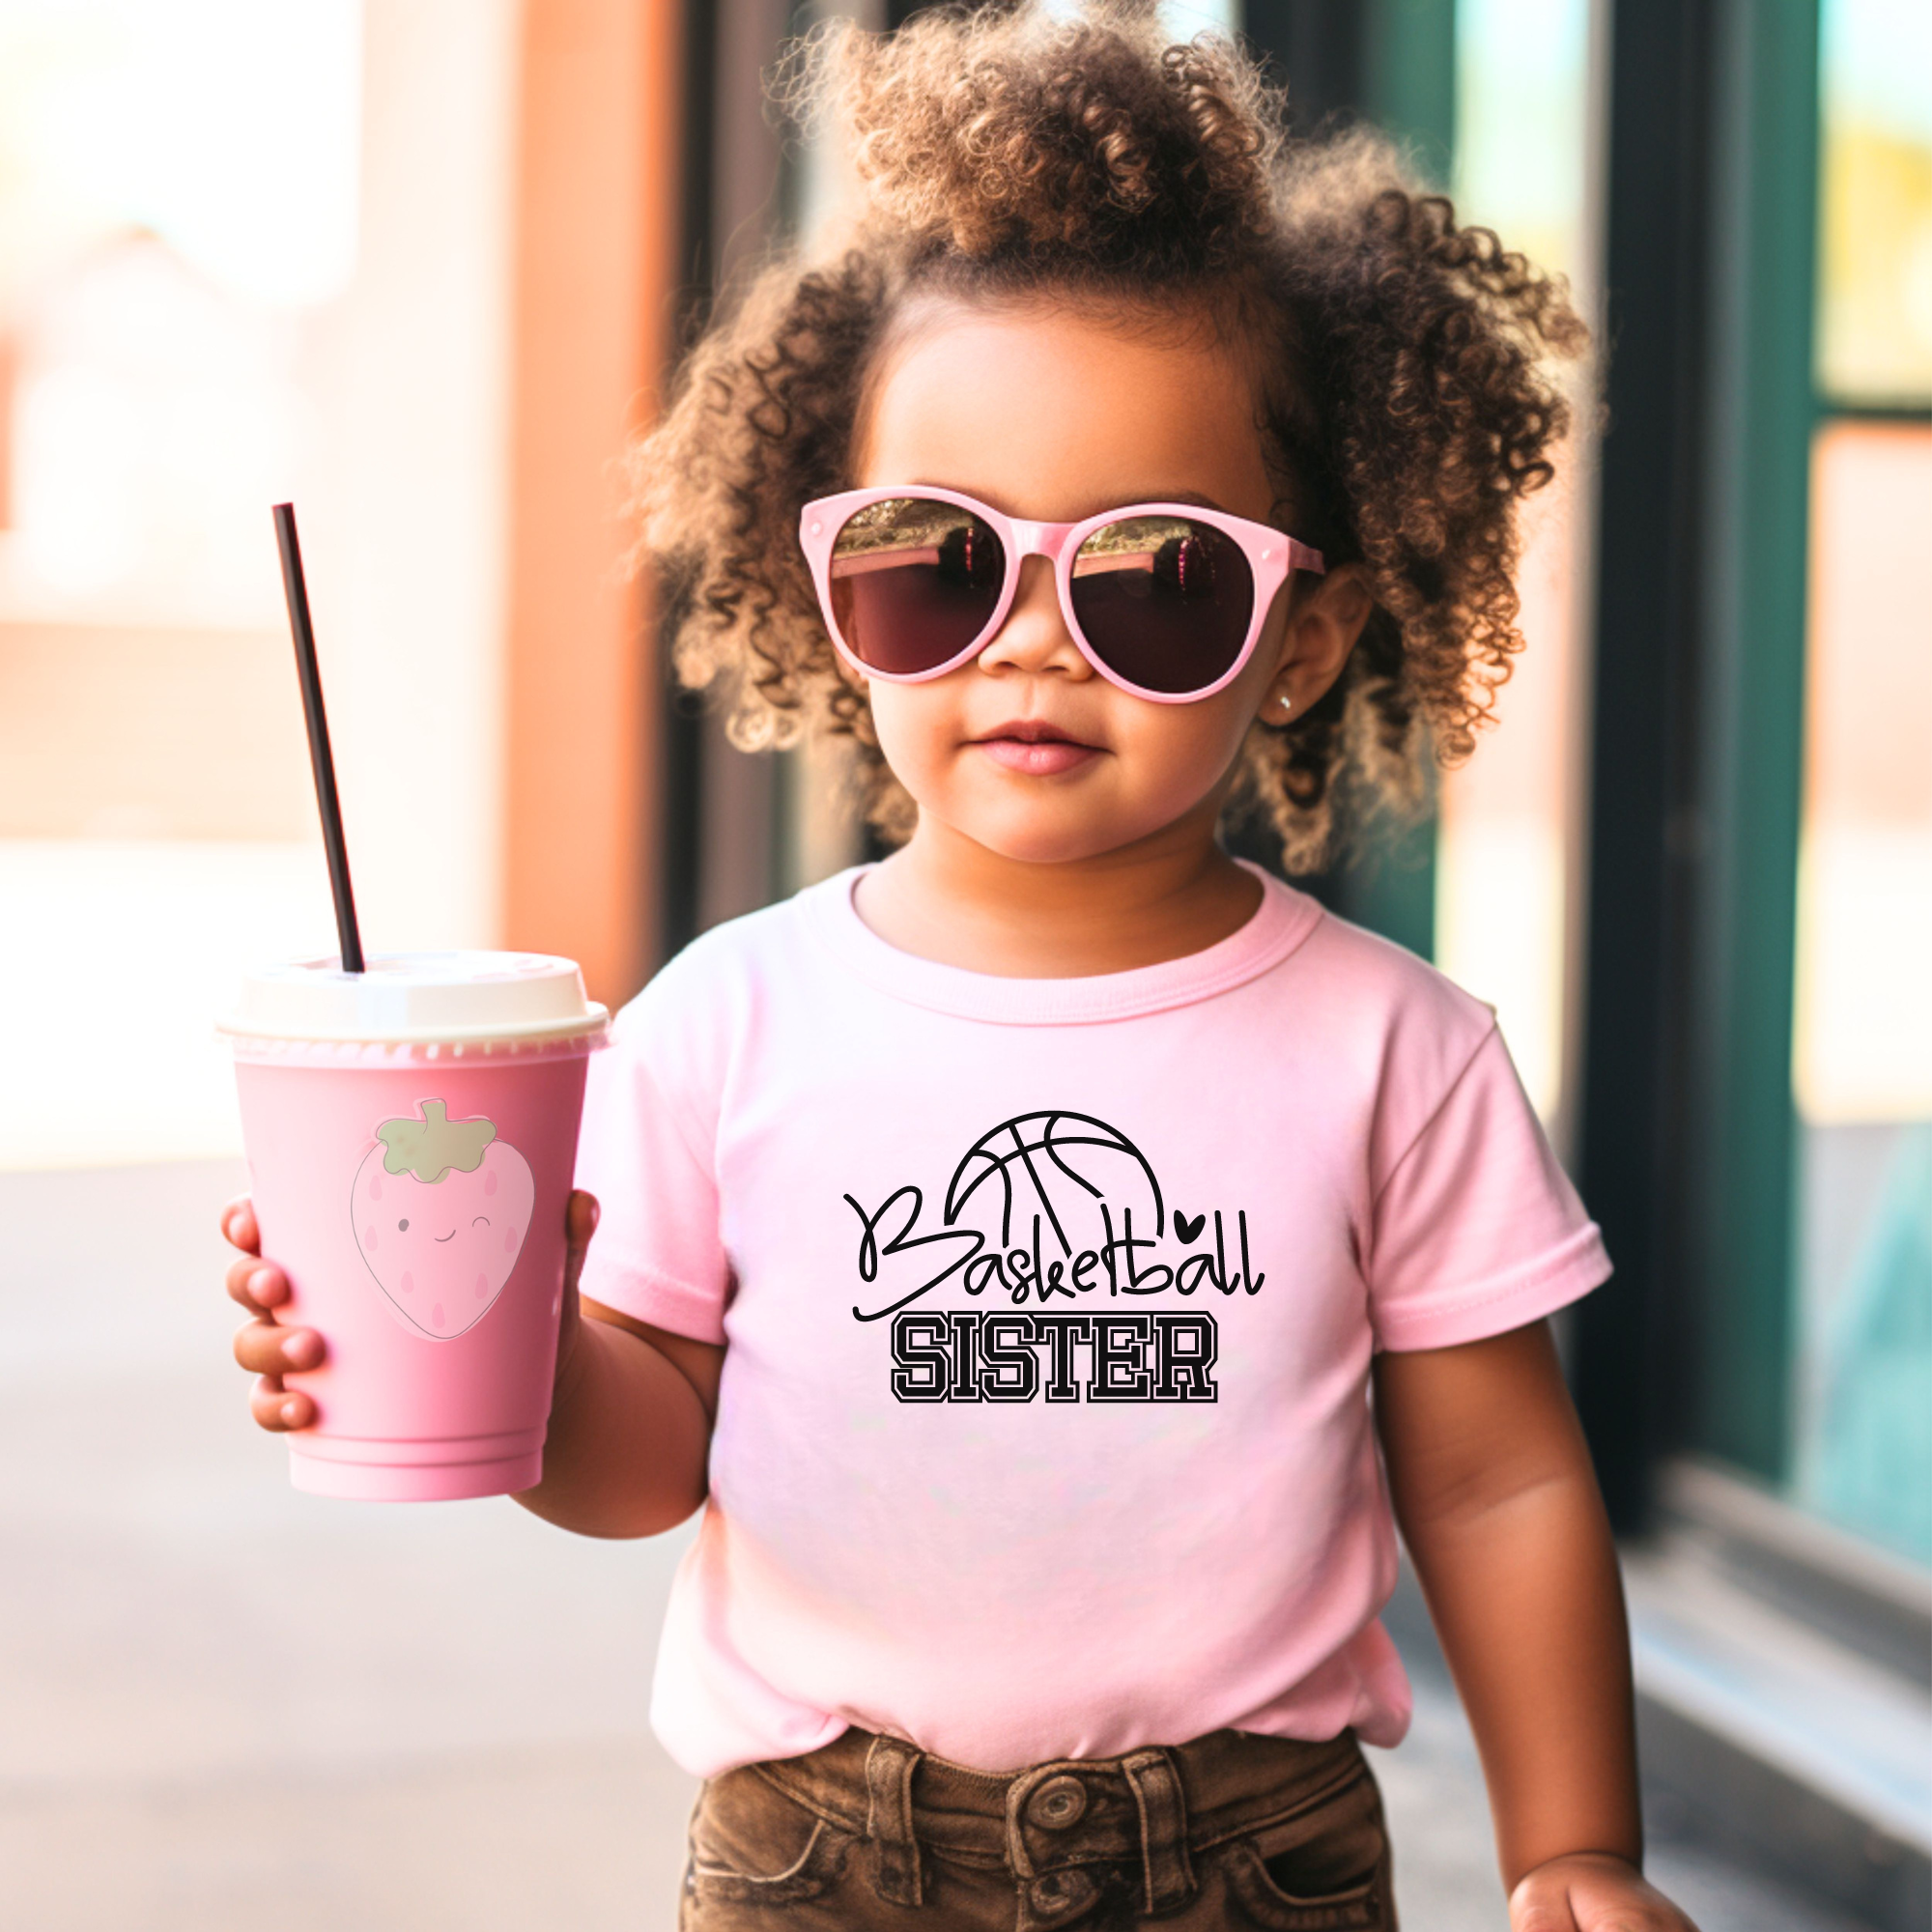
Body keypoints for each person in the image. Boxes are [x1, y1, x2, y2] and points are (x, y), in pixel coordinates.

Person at [223, 9, 1698, 1927]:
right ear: (832, 598)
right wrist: (489, 1346)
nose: (1026, 641)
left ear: (1308, 634)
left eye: (1151, 575)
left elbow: (1498, 1482)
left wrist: (1574, 1845)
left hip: (1248, 1862)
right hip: (821, 1860)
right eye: (936, 563)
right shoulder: (723, 1025)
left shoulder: (1392, 1052)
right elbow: (645, 1451)